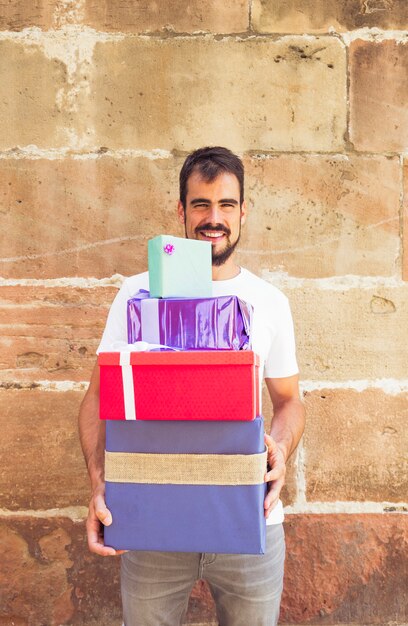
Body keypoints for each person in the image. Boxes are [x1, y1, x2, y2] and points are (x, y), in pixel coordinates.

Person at [78, 146, 305, 626]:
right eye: (200, 204)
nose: (213, 218)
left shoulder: (269, 302)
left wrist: (280, 449)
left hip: (251, 522)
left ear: (243, 212)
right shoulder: (136, 294)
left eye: (226, 205)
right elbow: (99, 398)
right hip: (151, 525)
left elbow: (289, 402)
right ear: (181, 211)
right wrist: (100, 483)